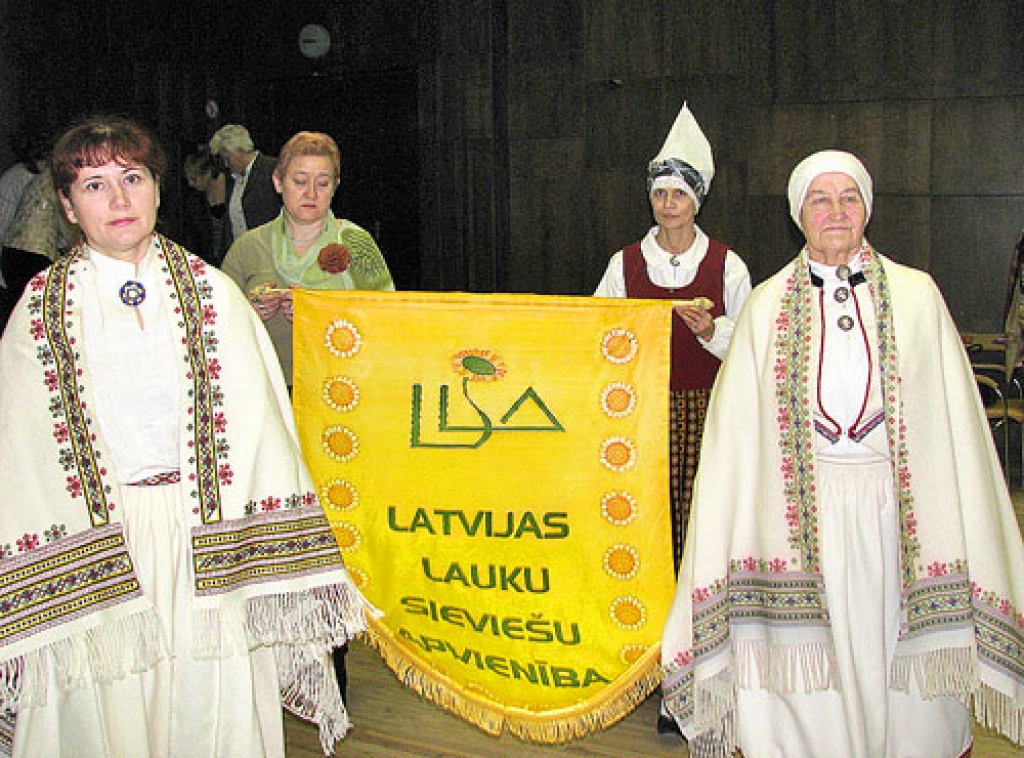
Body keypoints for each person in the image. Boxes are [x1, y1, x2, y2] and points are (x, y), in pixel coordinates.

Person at [0, 115, 367, 757]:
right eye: (93, 184)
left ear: (158, 189)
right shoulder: (39, 310)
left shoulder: (214, 294)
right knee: (105, 715)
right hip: (101, 546)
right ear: (66, 204)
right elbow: (21, 452)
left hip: (208, 542)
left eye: (132, 178)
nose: (118, 200)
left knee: (208, 715)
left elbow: (261, 431)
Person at [660, 150, 1024, 757]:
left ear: (867, 210)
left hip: (897, 517)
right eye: (820, 200)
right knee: (805, 685)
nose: (835, 211)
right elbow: (734, 440)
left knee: (899, 677)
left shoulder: (918, 296)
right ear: (798, 215)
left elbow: (955, 422)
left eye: (848, 198)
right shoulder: (765, 306)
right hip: (797, 522)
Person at [594, 102, 751, 571]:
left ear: (695, 201)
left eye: (677, 195)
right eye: (659, 194)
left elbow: (752, 344)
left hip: (706, 408)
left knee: (701, 507)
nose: (667, 204)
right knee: (643, 506)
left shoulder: (728, 264)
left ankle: (700, 587)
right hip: (639, 409)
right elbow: (600, 330)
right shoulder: (625, 264)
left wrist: (712, 333)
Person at [222, 130, 395, 386]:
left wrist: (320, 312)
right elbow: (215, 328)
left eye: (322, 183)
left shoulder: (357, 244)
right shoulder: (247, 247)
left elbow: (389, 320)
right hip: (266, 392)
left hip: (342, 391)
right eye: (300, 181)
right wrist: (247, 313)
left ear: (335, 186)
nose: (311, 193)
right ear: (278, 182)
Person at [209, 123, 281, 248]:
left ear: (240, 150)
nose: (226, 164)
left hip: (270, 253)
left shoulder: (272, 169)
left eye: (227, 158)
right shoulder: (231, 179)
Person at [181, 146, 228, 265]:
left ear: (207, 174)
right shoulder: (194, 201)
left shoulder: (232, 189)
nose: (190, 184)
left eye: (194, 179)